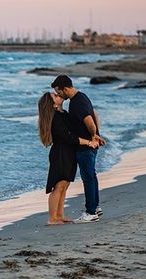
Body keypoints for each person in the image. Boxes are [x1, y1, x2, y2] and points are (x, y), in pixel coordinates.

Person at [38, 92, 99, 225]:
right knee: (58, 185)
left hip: (69, 152)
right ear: (53, 104)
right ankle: (52, 218)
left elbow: (75, 131)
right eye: (55, 96)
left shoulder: (64, 114)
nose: (58, 95)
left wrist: (94, 134)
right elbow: (68, 137)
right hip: (60, 153)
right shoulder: (55, 117)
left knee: (65, 185)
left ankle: (60, 215)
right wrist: (88, 143)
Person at [51, 75, 105, 223]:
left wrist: (94, 135)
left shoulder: (76, 103)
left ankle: (90, 212)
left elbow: (89, 119)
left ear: (65, 88)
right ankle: (96, 206)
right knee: (91, 176)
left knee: (88, 177)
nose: (59, 94)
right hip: (90, 144)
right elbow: (95, 114)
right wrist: (97, 134)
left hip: (86, 146)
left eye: (59, 91)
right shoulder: (82, 97)